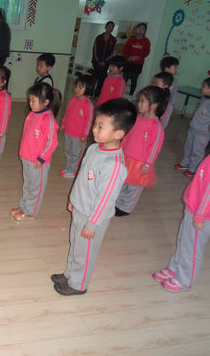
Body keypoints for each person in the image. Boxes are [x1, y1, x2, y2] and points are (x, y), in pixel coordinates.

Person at [52, 98, 137, 295]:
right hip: (81, 208)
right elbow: (83, 178)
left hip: (93, 217)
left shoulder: (114, 166)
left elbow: (106, 199)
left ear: (118, 134)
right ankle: (70, 274)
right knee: (75, 244)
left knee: (85, 252)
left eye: (100, 127)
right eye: (95, 124)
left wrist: (92, 223)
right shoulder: (94, 148)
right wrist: (73, 199)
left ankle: (78, 284)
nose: (94, 130)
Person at [153, 154, 210, 292]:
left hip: (201, 214)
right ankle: (175, 268)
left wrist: (200, 216)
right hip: (193, 207)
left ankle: (184, 280)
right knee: (183, 241)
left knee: (192, 248)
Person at [115, 86, 168, 216]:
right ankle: (117, 203)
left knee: (134, 187)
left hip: (141, 163)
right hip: (127, 157)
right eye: (139, 100)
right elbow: (128, 135)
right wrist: (120, 149)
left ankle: (125, 208)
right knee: (123, 181)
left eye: (143, 101)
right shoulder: (137, 118)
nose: (139, 103)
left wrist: (148, 164)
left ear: (154, 105)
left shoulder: (156, 127)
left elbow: (154, 148)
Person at [11, 82, 59, 221]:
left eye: (33, 101)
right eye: (29, 100)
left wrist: (41, 158)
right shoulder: (32, 114)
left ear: (45, 102)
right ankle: (24, 206)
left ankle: (31, 212)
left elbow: (53, 142)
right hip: (27, 157)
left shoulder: (48, 119)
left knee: (35, 188)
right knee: (27, 184)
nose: (30, 103)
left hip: (39, 162)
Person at [60, 75, 95, 178]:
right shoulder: (73, 100)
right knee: (68, 151)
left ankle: (74, 171)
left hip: (79, 135)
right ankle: (68, 167)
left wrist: (85, 134)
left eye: (80, 87)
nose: (76, 89)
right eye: (76, 86)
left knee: (76, 153)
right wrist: (63, 124)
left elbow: (89, 122)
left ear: (88, 88)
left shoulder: (88, 105)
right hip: (69, 132)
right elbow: (67, 113)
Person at [175, 77, 210, 178]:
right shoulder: (204, 99)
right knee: (188, 147)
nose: (202, 89)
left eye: (204, 87)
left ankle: (194, 168)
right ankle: (185, 163)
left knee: (197, 151)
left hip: (203, 132)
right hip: (194, 128)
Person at [123, 23, 150, 96]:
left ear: (144, 31)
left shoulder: (146, 41)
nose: (140, 30)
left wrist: (138, 57)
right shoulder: (131, 39)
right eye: (139, 28)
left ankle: (130, 96)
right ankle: (120, 93)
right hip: (128, 62)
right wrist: (128, 57)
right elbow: (125, 49)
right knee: (124, 78)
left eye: (143, 29)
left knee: (134, 80)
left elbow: (146, 52)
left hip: (138, 63)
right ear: (136, 29)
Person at [91, 21, 117, 97]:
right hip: (96, 62)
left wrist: (105, 62)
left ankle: (96, 95)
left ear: (112, 29)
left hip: (106, 64)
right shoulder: (99, 37)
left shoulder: (113, 40)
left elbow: (112, 52)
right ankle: (90, 94)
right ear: (106, 27)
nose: (110, 28)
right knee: (93, 79)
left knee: (101, 81)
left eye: (112, 27)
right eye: (109, 26)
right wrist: (98, 61)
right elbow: (94, 49)